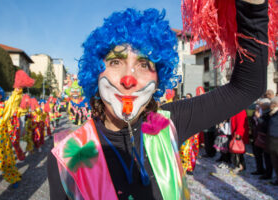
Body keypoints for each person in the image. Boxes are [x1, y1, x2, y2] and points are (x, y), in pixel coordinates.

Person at [48, 1, 269, 199]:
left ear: (158, 76)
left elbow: (248, 87)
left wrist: (253, 8)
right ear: (95, 72)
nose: (129, 79)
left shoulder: (170, 123)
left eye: (144, 64)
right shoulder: (65, 157)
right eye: (116, 62)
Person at [0, 70, 34, 195]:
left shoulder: (4, 107)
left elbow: (13, 101)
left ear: (0, 96)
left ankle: (14, 178)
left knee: (4, 162)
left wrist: (18, 89)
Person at [267, 97, 278, 186]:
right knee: (274, 161)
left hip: (276, 140)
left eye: (271, 104)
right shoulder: (271, 113)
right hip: (272, 140)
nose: (270, 105)